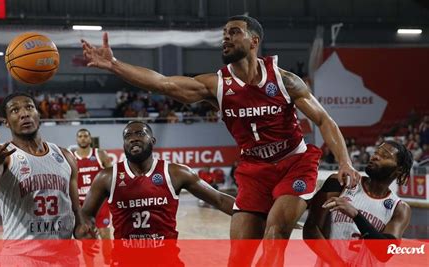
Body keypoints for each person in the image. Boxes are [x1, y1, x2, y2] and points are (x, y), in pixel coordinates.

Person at [81, 15, 360, 266]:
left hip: (294, 163)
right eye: (224, 33)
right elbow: (163, 83)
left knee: (275, 232)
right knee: (238, 257)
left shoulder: (284, 80)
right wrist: (114, 65)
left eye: (234, 32)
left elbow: (324, 120)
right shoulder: (216, 86)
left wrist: (345, 162)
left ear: (254, 40)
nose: (225, 37)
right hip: (254, 171)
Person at [81, 121, 235, 266]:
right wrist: (87, 231)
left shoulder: (176, 172)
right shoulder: (107, 177)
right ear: (124, 144)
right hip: (125, 261)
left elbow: (220, 199)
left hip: (166, 260)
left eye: (140, 134)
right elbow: (86, 214)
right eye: (128, 136)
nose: (133, 138)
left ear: (153, 141)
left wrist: (252, 214)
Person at [0, 92, 94, 266]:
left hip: (66, 256)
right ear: (6, 121)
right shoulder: (0, 156)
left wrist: (82, 228)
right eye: (15, 110)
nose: (24, 113)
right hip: (23, 257)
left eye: (29, 107)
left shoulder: (65, 155)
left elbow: (75, 209)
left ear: (38, 114)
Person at [303, 141, 413, 267]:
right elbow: (310, 230)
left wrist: (356, 215)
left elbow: (385, 253)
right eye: (377, 152)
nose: (375, 156)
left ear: (399, 170)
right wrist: (337, 263)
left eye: (385, 156)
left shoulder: (399, 208)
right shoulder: (341, 182)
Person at [74, 128, 113, 266]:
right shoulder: (72, 157)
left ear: (90, 139)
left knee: (105, 234)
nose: (83, 138)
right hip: (83, 206)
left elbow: (111, 174)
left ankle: (109, 261)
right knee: (87, 238)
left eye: (85, 136)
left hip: (100, 203)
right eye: (80, 136)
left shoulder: (99, 154)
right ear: (77, 139)